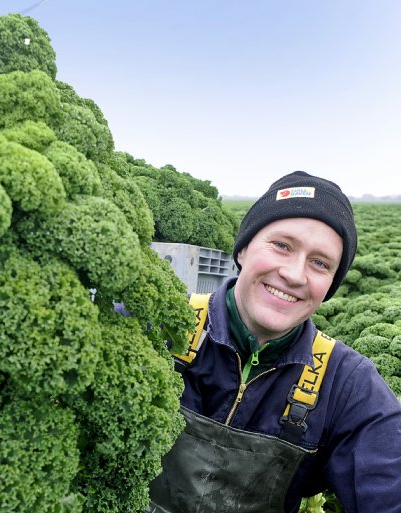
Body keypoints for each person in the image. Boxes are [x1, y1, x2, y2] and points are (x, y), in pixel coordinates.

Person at [147, 171, 401, 513]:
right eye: (282, 245)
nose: (295, 274)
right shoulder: (158, 322)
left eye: (320, 263)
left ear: (330, 286)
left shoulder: (347, 384)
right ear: (243, 250)